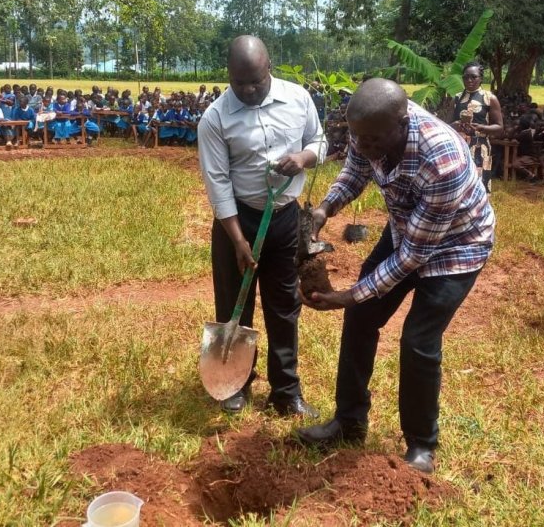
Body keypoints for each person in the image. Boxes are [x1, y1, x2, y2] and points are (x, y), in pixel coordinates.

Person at [297, 78, 495, 474]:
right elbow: (355, 171)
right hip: (408, 226)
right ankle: (349, 422)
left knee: (418, 339)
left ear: (401, 122)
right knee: (362, 319)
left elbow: (413, 258)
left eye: (371, 140)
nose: (363, 145)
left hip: (457, 244)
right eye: (359, 138)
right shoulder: (367, 128)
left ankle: (422, 444)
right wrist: (324, 210)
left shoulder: (442, 158)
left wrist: (352, 294)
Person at [197, 35, 326, 416]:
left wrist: (303, 157)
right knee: (235, 304)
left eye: (257, 81)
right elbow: (217, 182)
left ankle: (286, 392)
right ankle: (236, 384)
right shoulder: (216, 118)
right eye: (240, 84)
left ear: (270, 66)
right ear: (229, 77)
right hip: (239, 220)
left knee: (284, 305)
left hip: (284, 218)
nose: (249, 90)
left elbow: (319, 139)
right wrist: (238, 239)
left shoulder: (298, 99)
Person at [451, 62, 503, 191]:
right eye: (466, 77)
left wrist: (481, 128)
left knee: (479, 183)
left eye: (473, 77)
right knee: (459, 183)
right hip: (459, 147)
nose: (469, 80)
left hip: (480, 147)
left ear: (481, 78)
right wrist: (455, 125)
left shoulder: (489, 98)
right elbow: (446, 125)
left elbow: (499, 128)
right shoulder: (457, 98)